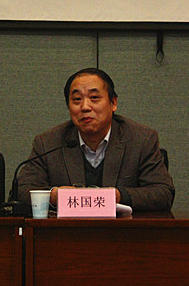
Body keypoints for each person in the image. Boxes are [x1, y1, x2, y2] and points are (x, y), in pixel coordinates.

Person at [17, 68, 174, 211]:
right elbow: (22, 191)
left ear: (113, 103)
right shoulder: (48, 143)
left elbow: (163, 193)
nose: (85, 107)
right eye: (77, 99)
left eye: (94, 97)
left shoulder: (141, 139)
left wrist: (119, 196)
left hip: (123, 230)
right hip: (68, 231)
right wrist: (53, 196)